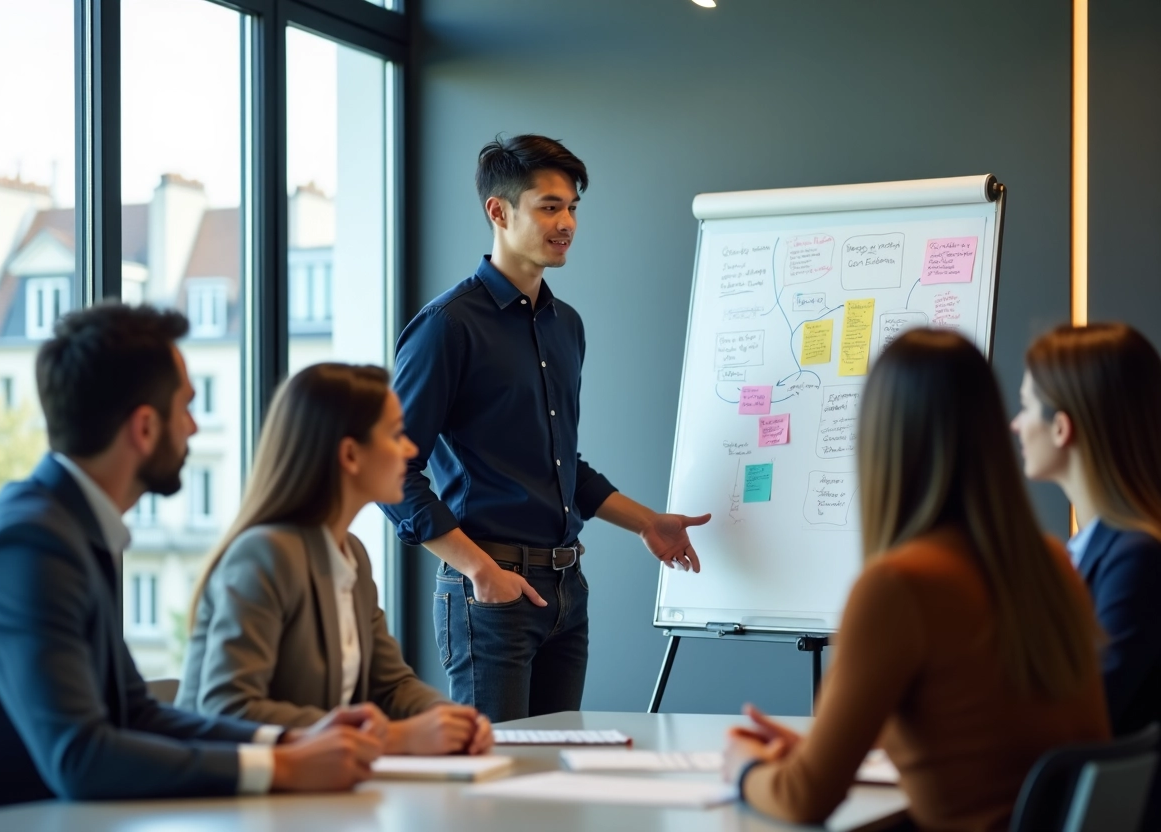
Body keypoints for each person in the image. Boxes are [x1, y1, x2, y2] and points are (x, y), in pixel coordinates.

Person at [0, 305, 383, 815]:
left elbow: (135, 713)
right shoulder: (27, 544)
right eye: (186, 407)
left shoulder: (70, 525)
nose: (195, 427)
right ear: (145, 428)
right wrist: (282, 770)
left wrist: (285, 742)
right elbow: (81, 756)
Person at [380, 134, 710, 722]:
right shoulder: (446, 328)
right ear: (499, 211)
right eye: (549, 206)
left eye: (573, 207)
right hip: (491, 594)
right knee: (497, 793)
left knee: (555, 781)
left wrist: (647, 523)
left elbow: (560, 465)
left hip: (567, 592)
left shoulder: (566, 327)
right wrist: (480, 570)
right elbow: (389, 471)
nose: (567, 223)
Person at [722, 329, 1109, 831]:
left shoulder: (898, 588)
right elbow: (972, 732)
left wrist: (745, 768)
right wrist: (820, 751)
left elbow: (803, 799)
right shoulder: (1052, 564)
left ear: (882, 443)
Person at [177, 363, 493, 755]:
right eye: (396, 435)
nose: (411, 450)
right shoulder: (264, 555)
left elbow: (390, 685)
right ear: (349, 455)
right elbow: (226, 708)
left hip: (311, 793)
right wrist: (388, 738)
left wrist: (451, 720)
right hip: (227, 802)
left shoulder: (352, 554)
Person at [1013, 323, 1161, 827]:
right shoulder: (1104, 549)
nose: (1015, 425)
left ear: (1062, 427)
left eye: (1027, 406)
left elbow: (1083, 714)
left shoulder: (1136, 558)